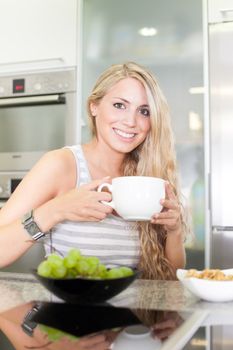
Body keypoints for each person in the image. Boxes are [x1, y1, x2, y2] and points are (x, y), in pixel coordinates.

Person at [0, 62, 186, 280]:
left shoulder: (149, 179)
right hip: (68, 312)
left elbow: (171, 280)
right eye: (119, 105)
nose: (130, 121)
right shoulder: (62, 164)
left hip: (133, 314)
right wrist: (55, 210)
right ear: (94, 107)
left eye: (144, 111)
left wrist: (175, 231)